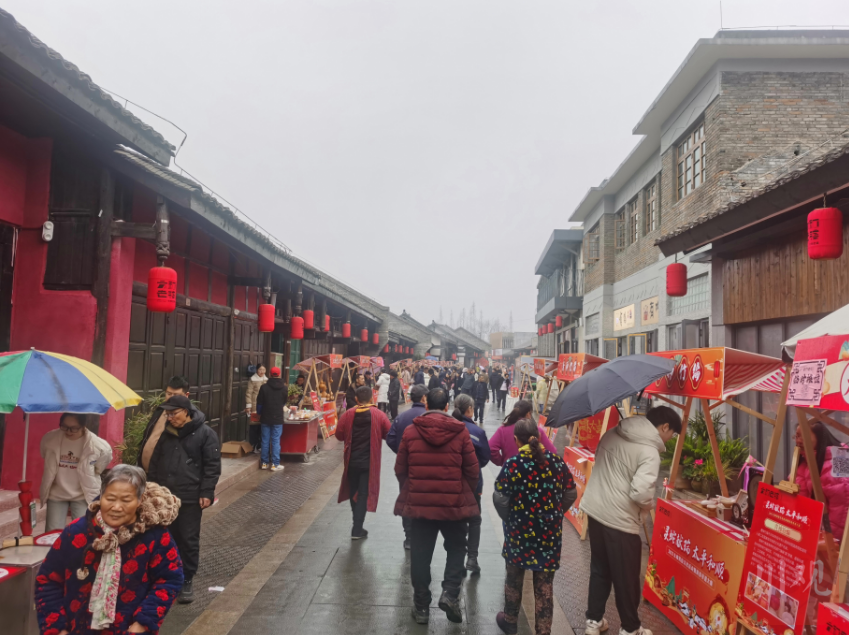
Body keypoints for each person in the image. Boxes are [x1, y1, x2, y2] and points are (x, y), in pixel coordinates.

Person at [35, 465, 183, 635]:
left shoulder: (154, 537)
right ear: (101, 496)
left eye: (126, 500)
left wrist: (143, 623)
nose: (117, 507)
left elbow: (170, 578)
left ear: (139, 500)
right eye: (110, 498)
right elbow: (47, 580)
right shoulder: (75, 533)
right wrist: (57, 629)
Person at [581, 406, 682, 635]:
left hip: (595, 512)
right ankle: (630, 628)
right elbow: (641, 493)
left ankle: (593, 621)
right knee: (626, 578)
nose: (670, 438)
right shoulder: (649, 452)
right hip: (620, 521)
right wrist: (648, 506)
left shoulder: (612, 433)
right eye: (672, 433)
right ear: (664, 427)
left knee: (600, 569)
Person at [394, 388, 479, 625]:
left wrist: (413, 488)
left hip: (420, 507)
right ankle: (450, 594)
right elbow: (472, 470)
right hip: (453, 505)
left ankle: (421, 607)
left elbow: (400, 468)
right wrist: (462, 492)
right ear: (446, 407)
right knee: (457, 547)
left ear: (426, 404)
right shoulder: (460, 431)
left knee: (420, 555)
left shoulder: (411, 431)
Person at [494, 418, 569, 635]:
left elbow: (500, 498)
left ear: (516, 440)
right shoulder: (556, 463)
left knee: (514, 578)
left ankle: (510, 621)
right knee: (544, 586)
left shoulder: (513, 464)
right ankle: (543, 630)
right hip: (549, 533)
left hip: (519, 531)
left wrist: (509, 518)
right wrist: (555, 513)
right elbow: (570, 492)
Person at [144, 395, 221, 604]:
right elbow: (155, 462)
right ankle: (166, 575)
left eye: (173, 414)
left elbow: (212, 466)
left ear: (186, 412)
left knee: (188, 539)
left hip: (190, 496)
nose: (170, 418)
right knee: (164, 537)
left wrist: (206, 492)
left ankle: (187, 578)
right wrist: (152, 489)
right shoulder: (167, 434)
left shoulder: (206, 434)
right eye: (167, 414)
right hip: (165, 497)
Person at [336, 385, 392, 539]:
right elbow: (389, 434)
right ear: (372, 398)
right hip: (369, 462)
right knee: (362, 494)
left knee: (354, 491)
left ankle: (357, 526)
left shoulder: (347, 415)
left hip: (351, 461)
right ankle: (357, 528)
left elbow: (339, 435)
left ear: (356, 399)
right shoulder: (379, 415)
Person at [40, 413, 112, 532]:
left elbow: (100, 466)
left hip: (83, 494)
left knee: (82, 532)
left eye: (74, 428)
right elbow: (45, 455)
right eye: (64, 426)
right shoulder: (49, 439)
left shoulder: (99, 445)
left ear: (83, 426)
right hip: (56, 494)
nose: (68, 431)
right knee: (52, 534)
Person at [386, 383, 430, 549]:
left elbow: (390, 438)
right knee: (425, 500)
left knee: (407, 499)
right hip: (427, 467)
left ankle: (409, 537)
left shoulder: (401, 417)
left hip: (406, 467)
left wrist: (400, 452)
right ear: (424, 398)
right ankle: (423, 535)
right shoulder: (429, 416)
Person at [451, 393, 490, 574]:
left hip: (450, 482)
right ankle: (472, 558)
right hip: (472, 483)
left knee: (456, 521)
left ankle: (456, 559)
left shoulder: (448, 427)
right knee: (474, 519)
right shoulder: (477, 432)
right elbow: (485, 458)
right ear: (469, 409)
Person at [794, 420, 849, 541]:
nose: (798, 441)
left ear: (819, 437)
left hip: (829, 540)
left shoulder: (840, 459)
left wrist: (830, 541)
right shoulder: (804, 461)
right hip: (811, 534)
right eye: (797, 436)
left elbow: (842, 509)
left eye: (803, 436)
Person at [137, 376, 191, 474]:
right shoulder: (160, 410)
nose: (171, 398)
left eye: (176, 395)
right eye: (168, 394)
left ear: (186, 395)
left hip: (165, 475)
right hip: (145, 472)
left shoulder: (189, 418)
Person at [489, 401, 558, 466]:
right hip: (534, 470)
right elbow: (553, 452)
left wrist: (503, 462)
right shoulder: (537, 430)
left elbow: (491, 448)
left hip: (511, 470)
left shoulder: (503, 430)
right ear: (528, 414)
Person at [256, 367, 287, 472]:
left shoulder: (264, 387)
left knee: (265, 440)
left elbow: (259, 403)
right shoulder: (284, 388)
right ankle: (275, 464)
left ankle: (264, 463)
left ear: (270, 374)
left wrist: (259, 413)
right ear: (279, 374)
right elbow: (284, 402)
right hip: (277, 417)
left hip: (265, 417)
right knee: (275, 440)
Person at [245, 363, 268, 453]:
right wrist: (248, 405)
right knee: (254, 426)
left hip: (264, 407)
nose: (262, 371)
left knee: (263, 427)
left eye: (263, 370)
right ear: (257, 370)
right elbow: (248, 393)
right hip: (255, 406)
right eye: (260, 370)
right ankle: (253, 445)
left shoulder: (266, 380)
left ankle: (260, 446)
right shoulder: (252, 379)